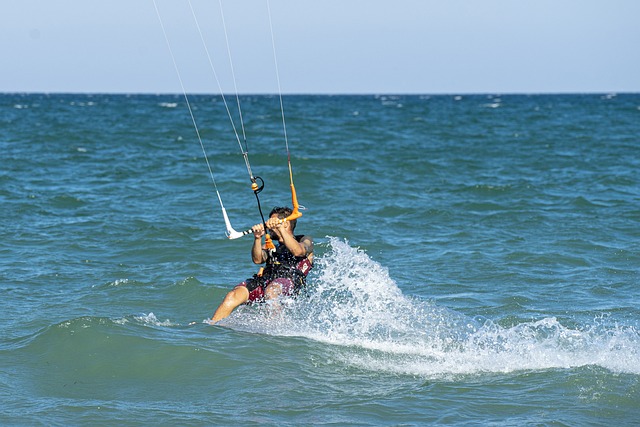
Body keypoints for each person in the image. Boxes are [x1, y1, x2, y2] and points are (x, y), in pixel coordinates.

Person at [211, 206, 313, 323]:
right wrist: (258, 238)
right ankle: (212, 326)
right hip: (265, 281)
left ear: (285, 224)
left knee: (271, 291)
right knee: (233, 295)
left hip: (288, 282)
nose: (268, 226)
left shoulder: (304, 240)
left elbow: (298, 251)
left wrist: (280, 227)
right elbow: (258, 259)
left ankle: (276, 328)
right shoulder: (272, 246)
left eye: (272, 222)